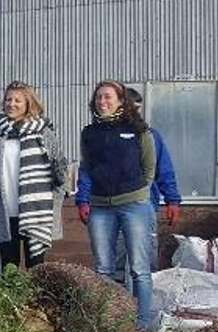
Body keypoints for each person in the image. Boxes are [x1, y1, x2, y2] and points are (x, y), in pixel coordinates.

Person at [78, 80, 158, 331]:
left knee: (139, 269)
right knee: (104, 270)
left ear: (121, 101)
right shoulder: (89, 133)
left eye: (108, 97)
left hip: (134, 205)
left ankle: (141, 326)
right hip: (100, 207)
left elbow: (149, 167)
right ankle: (110, 326)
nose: (102, 101)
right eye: (98, 97)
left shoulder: (138, 130)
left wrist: (138, 191)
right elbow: (87, 166)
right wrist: (86, 198)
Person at [76, 88, 180, 274]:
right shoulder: (99, 136)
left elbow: (162, 169)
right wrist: (83, 199)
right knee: (115, 258)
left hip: (143, 205)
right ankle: (118, 292)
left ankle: (145, 293)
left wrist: (172, 200)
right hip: (109, 206)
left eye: (138, 108)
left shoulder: (148, 135)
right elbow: (89, 170)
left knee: (143, 261)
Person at [0, 81, 65, 271]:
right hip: (5, 211)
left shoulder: (43, 132)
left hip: (36, 211)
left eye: (17, 100)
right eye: (8, 100)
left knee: (36, 269)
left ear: (28, 104)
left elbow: (60, 166)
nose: (11, 104)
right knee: (9, 268)